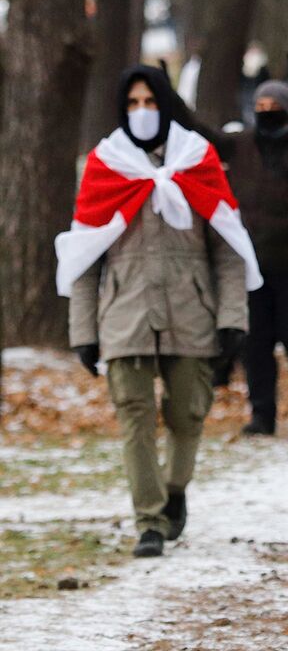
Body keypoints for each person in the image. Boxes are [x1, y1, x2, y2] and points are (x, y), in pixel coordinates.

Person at [62, 65, 253, 558]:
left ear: (165, 104)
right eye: (132, 104)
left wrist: (233, 317)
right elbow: (85, 256)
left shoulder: (197, 158)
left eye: (150, 102)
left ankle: (174, 490)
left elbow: (228, 246)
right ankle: (148, 520)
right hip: (123, 315)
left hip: (193, 311)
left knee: (189, 414)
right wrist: (83, 331)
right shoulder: (107, 165)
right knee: (135, 418)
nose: (142, 112)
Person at [177, 77, 288, 436]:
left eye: (274, 106)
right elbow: (202, 133)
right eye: (260, 107)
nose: (267, 113)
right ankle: (262, 414)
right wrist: (170, 98)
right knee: (255, 342)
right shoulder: (241, 144)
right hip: (249, 264)